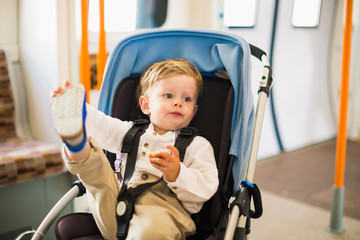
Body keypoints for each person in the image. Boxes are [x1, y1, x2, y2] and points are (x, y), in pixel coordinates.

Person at [50, 58, 219, 240]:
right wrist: (80, 110)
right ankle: (76, 142)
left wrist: (177, 173)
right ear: (146, 105)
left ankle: (77, 143)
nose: (178, 102)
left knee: (148, 234)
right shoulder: (130, 131)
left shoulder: (197, 145)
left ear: (193, 111)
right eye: (169, 96)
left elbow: (206, 186)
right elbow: (102, 125)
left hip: (163, 212)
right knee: (97, 176)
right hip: (117, 203)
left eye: (187, 99)